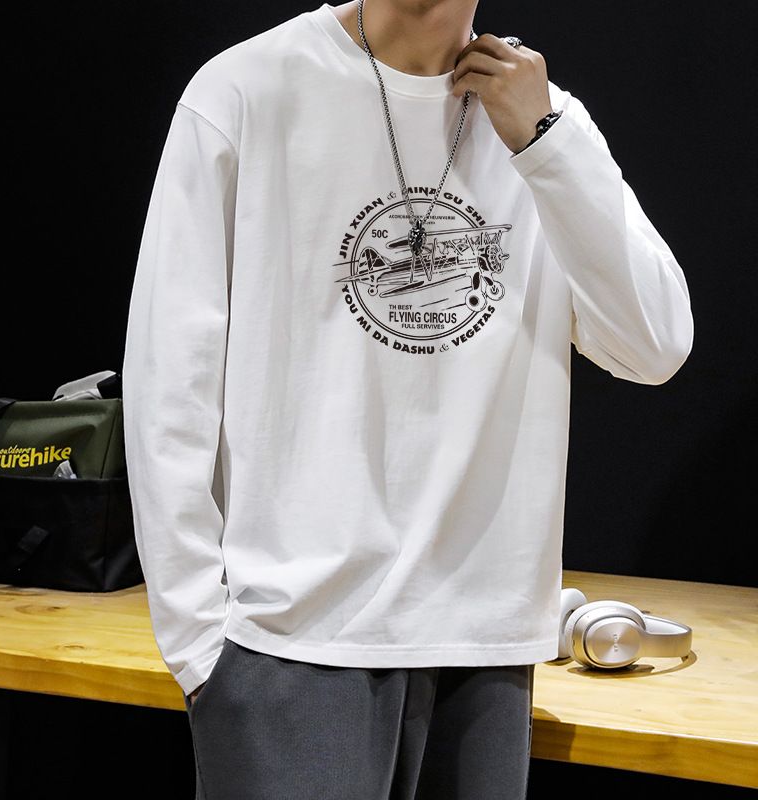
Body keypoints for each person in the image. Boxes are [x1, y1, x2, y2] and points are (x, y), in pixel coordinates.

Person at [122, 1, 693, 797]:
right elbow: (169, 380)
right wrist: (199, 645)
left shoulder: (545, 119)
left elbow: (653, 345)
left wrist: (544, 143)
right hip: (292, 646)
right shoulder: (248, 89)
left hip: (487, 646)